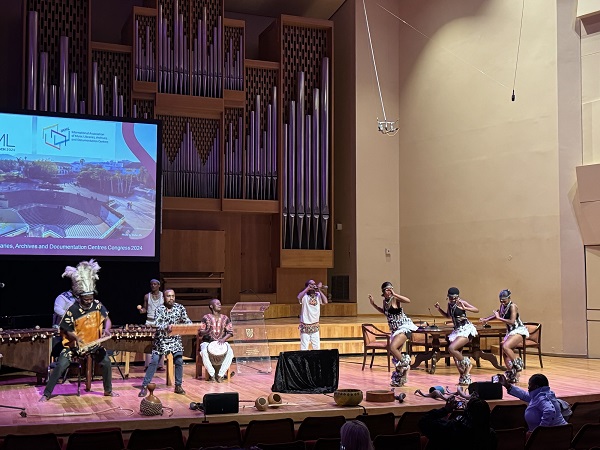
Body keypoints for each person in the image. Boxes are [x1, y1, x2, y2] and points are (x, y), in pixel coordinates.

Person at [41, 259, 117, 401]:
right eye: (86, 299)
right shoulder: (73, 310)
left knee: (106, 362)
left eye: (91, 298)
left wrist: (107, 329)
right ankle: (46, 394)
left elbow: (107, 319)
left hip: (93, 344)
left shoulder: (97, 305)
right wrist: (75, 338)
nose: (89, 301)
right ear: (80, 297)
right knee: (61, 366)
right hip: (74, 347)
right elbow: (66, 328)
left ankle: (108, 391)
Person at [138, 289, 192, 397]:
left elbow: (187, 320)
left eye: (173, 296)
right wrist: (166, 327)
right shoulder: (159, 309)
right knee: (154, 361)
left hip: (175, 339)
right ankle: (144, 386)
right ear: (164, 297)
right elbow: (157, 324)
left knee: (179, 360)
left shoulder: (180, 308)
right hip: (161, 340)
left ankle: (178, 386)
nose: (171, 298)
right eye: (168, 296)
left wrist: (191, 326)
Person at [368, 281, 416, 387]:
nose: (389, 291)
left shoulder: (395, 299)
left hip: (404, 328)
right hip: (395, 330)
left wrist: (395, 294)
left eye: (390, 289)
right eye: (387, 289)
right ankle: (401, 378)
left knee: (393, 348)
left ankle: (406, 364)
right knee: (396, 355)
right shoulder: (385, 301)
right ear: (383, 291)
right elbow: (385, 312)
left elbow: (408, 300)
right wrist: (373, 304)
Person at [479, 289, 528, 382]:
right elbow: (497, 315)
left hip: (518, 330)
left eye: (504, 300)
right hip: (510, 332)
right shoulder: (502, 306)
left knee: (506, 346)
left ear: (509, 298)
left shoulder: (513, 306)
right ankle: (512, 373)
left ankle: (518, 366)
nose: (502, 302)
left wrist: (499, 318)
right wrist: (486, 319)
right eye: (500, 300)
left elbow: (512, 321)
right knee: (505, 352)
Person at [434, 287, 479, 385]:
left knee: (452, 348)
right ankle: (464, 376)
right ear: (448, 297)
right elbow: (448, 316)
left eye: (455, 298)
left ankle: (468, 364)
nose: (453, 300)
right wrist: (439, 309)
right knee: (455, 355)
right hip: (457, 330)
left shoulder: (461, 302)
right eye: (451, 298)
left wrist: (465, 308)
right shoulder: (449, 304)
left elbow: (476, 310)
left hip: (466, 329)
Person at [419, 395, 497, 450]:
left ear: (467, 413)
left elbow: (423, 421)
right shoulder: (491, 435)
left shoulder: (450, 429)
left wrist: (445, 409)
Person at [497, 373, 567, 431]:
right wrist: (507, 385)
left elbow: (550, 411)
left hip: (551, 438)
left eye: (530, 385)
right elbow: (524, 395)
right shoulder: (543, 394)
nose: (528, 388)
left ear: (536, 386)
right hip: (560, 433)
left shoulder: (542, 397)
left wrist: (540, 430)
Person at [198, 298, 234, 383]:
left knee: (230, 353)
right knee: (203, 352)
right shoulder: (205, 318)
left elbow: (231, 332)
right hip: (207, 342)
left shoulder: (225, 318)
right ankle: (212, 374)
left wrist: (224, 339)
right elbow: (201, 332)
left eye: (220, 303)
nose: (219, 305)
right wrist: (207, 330)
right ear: (211, 306)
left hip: (221, 342)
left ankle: (220, 375)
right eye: (217, 303)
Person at [138, 278, 165, 371]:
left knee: (161, 343)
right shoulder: (147, 296)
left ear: (159, 285)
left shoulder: (163, 296)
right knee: (148, 343)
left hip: (160, 322)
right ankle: (148, 365)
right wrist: (142, 310)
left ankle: (160, 365)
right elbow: (145, 308)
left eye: (155, 284)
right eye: (151, 284)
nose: (153, 286)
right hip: (149, 322)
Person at [298, 279, 328, 350]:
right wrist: (308, 288)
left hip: (315, 327)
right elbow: (299, 296)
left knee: (316, 348)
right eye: (311, 284)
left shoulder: (318, 295)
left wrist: (319, 290)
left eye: (314, 284)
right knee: (304, 348)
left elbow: (326, 301)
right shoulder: (304, 296)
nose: (313, 285)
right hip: (305, 327)